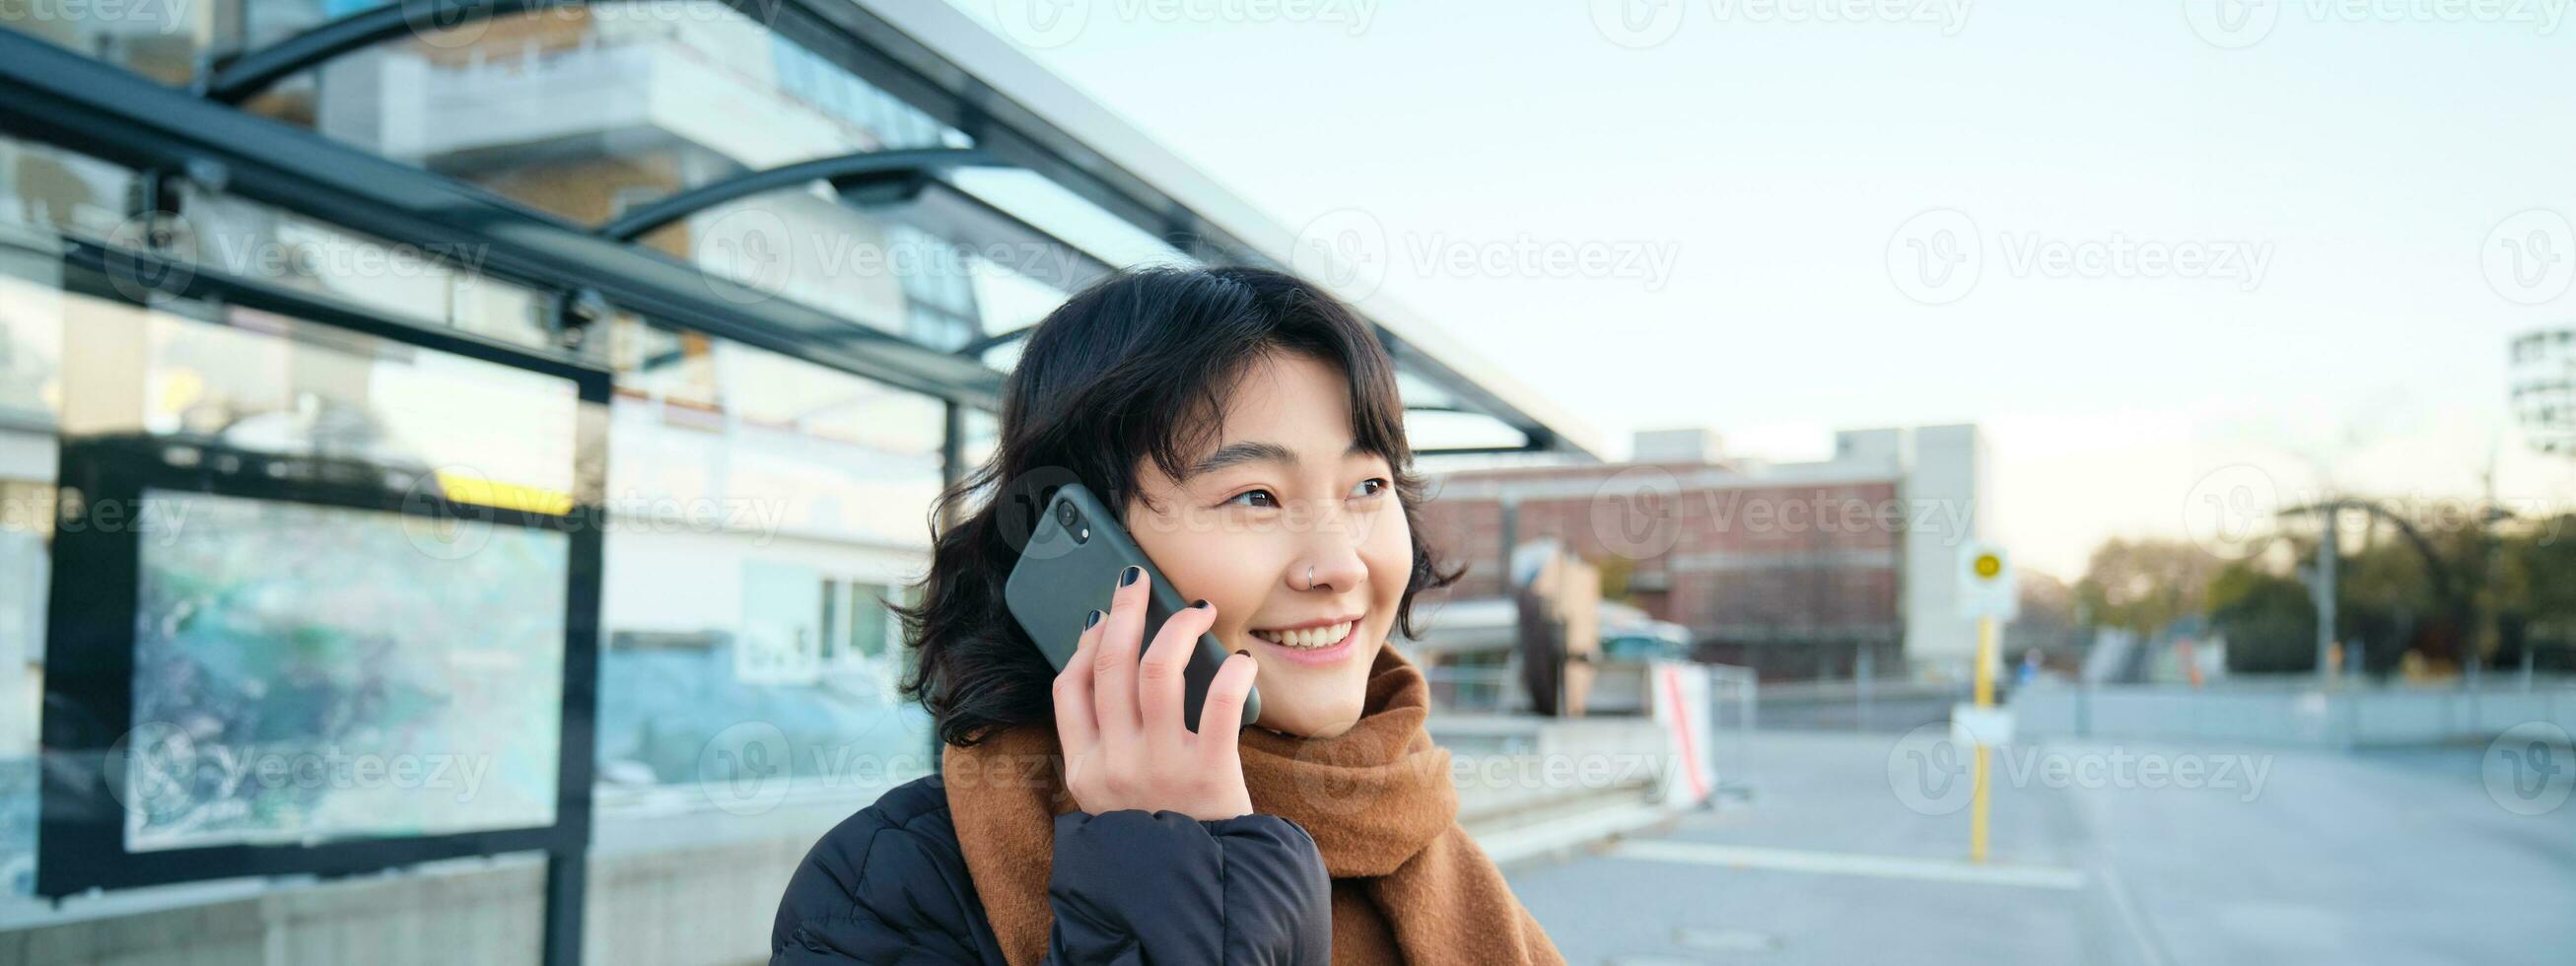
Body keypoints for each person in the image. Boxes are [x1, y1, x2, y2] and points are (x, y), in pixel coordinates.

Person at [767, 267, 1566, 965]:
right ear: (1077, 539)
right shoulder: (889, 887)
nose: (1339, 566)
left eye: (1367, 487)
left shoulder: (1412, 832)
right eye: (1255, 496)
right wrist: (1179, 873)